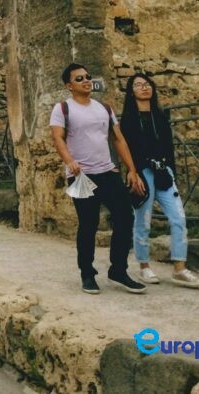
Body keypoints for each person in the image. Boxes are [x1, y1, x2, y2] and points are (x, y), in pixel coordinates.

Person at [50, 63, 146, 295]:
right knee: (88, 224)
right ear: (69, 85)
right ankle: (87, 273)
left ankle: (118, 270)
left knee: (125, 216)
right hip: (80, 175)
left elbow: (119, 139)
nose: (86, 81)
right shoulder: (62, 108)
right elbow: (58, 138)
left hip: (107, 171)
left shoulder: (104, 108)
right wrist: (69, 161)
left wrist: (132, 170)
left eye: (88, 77)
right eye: (79, 78)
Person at [120, 74, 199, 288]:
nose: (144, 88)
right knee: (143, 221)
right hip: (142, 173)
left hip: (163, 171)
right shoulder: (128, 119)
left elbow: (169, 147)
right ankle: (144, 267)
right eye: (138, 85)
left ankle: (179, 268)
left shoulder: (160, 116)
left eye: (147, 84)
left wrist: (171, 171)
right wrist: (133, 173)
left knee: (178, 218)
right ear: (132, 92)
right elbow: (125, 148)